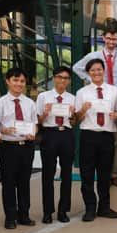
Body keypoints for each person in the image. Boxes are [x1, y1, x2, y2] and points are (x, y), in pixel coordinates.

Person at [72, 21, 117, 187]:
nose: (111, 42)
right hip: (97, 101)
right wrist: (92, 80)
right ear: (103, 38)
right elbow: (76, 67)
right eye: (109, 38)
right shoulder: (94, 56)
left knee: (116, 140)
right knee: (97, 138)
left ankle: (114, 174)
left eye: (115, 39)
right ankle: (101, 173)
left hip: (115, 100)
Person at [74, 58, 117, 222]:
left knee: (105, 174)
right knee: (87, 174)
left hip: (107, 135)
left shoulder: (114, 91)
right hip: (88, 135)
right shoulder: (82, 93)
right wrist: (83, 109)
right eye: (93, 70)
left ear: (104, 71)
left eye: (99, 69)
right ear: (88, 73)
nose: (96, 72)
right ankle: (89, 208)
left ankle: (104, 207)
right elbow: (76, 119)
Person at [0, 68, 37, 229]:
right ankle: (10, 217)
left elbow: (34, 124)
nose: (19, 84)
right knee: (9, 182)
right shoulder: (0, 103)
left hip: (26, 146)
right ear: (8, 81)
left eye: (22, 81)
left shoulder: (29, 103)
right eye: (15, 80)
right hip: (8, 147)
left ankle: (24, 215)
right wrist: (3, 130)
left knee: (24, 182)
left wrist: (33, 133)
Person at [36, 66, 77, 224]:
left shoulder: (72, 98)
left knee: (67, 174)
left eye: (66, 78)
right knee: (48, 174)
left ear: (69, 81)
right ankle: (47, 211)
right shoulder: (43, 97)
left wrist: (73, 114)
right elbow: (37, 121)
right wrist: (45, 114)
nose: (62, 81)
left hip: (66, 134)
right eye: (60, 77)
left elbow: (74, 122)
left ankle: (63, 210)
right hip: (50, 134)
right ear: (54, 78)